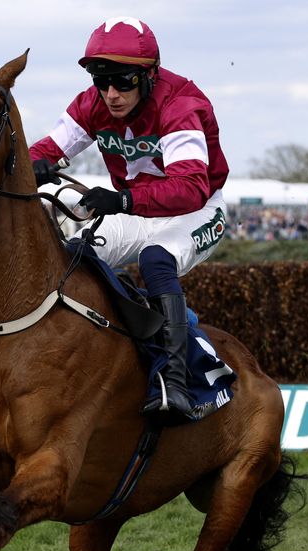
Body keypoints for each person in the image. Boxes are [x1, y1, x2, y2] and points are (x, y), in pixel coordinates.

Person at [29, 16, 230, 420]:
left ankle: (176, 383)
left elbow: (189, 187)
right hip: (137, 207)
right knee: (74, 255)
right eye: (102, 83)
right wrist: (35, 165)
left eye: (123, 82)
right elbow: (47, 148)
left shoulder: (180, 105)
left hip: (196, 210)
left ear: (149, 76)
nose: (111, 95)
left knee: (156, 259)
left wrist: (121, 200)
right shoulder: (91, 103)